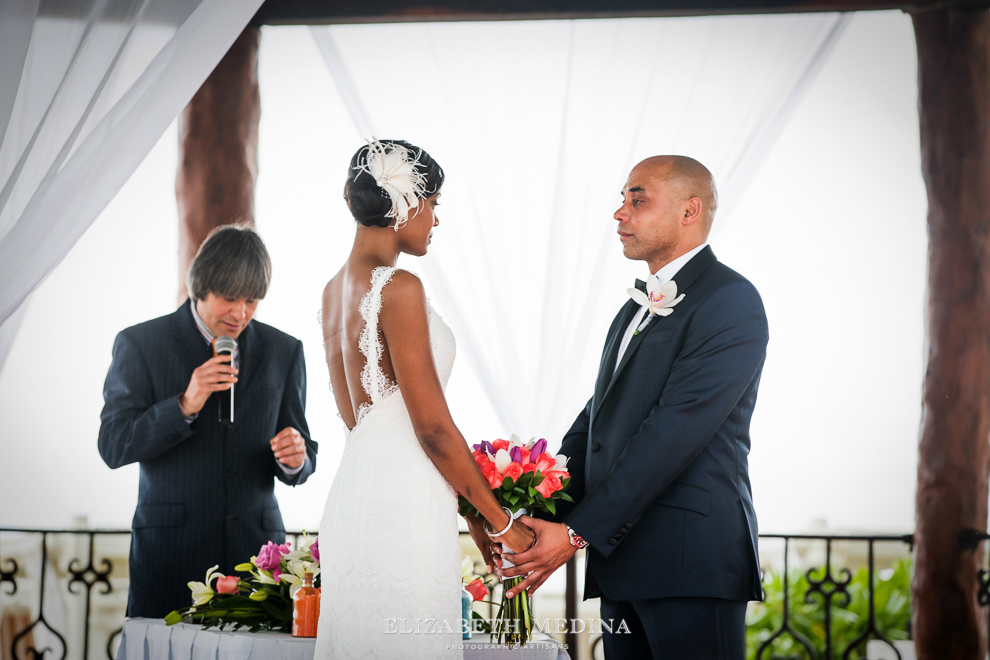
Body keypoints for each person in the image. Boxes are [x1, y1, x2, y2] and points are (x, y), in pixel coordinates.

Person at [498, 156, 769, 659]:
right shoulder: (634, 307)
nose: (620, 213)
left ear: (690, 210)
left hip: (689, 562)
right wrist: (535, 513)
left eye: (637, 199)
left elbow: (673, 432)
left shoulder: (730, 299)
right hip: (622, 561)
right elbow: (594, 424)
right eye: (622, 200)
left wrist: (575, 534)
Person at [315, 139, 534, 659]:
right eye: (433, 204)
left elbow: (381, 425)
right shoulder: (400, 288)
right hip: (402, 507)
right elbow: (431, 430)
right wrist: (502, 522)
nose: (435, 220)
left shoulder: (332, 290)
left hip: (355, 498)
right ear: (405, 204)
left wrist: (472, 517)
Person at [98, 225, 318, 618]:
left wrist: (295, 457)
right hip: (170, 559)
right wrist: (184, 403)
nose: (241, 313)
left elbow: (303, 451)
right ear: (199, 286)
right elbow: (113, 445)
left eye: (252, 300)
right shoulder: (140, 344)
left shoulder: (284, 351)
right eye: (230, 298)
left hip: (257, 562)